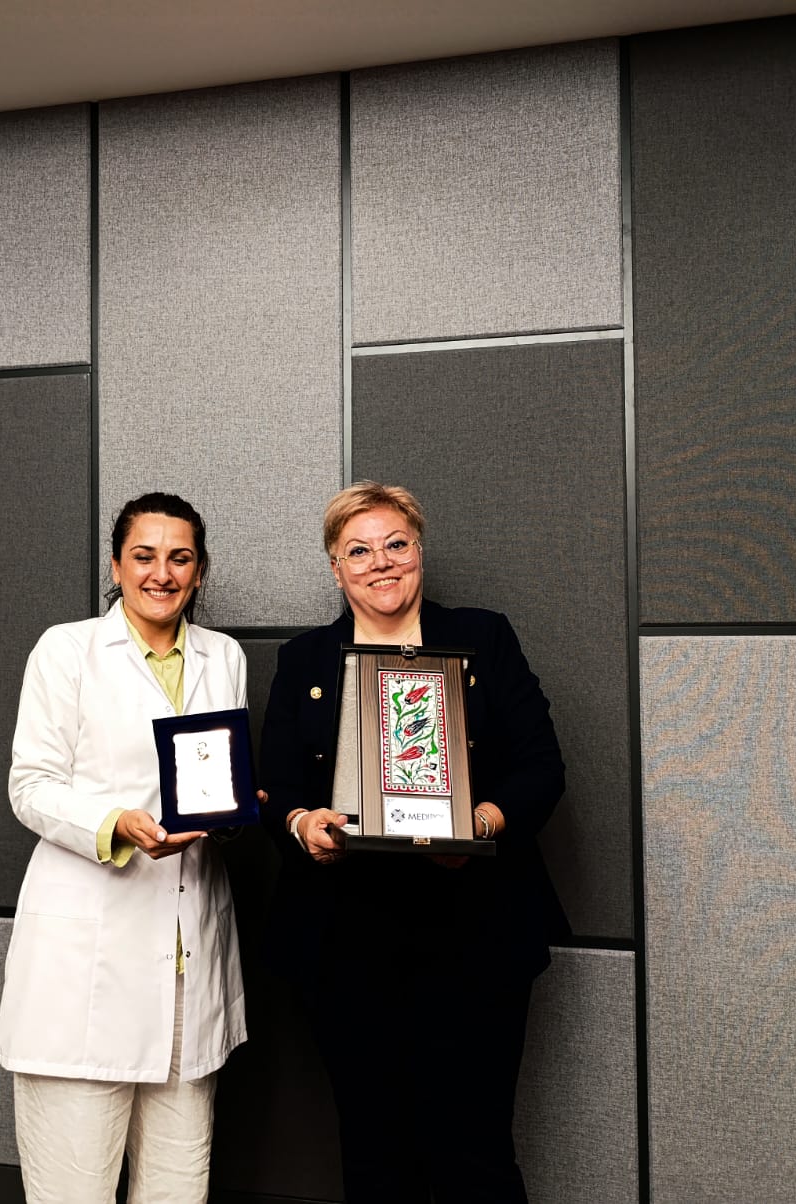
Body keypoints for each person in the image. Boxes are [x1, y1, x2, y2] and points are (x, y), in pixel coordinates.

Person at [260, 481, 567, 1203]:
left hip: (475, 931)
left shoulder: (485, 637)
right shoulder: (305, 660)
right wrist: (304, 825)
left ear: (420, 551)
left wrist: (478, 824)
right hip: (346, 940)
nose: (381, 562)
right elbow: (278, 786)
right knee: (374, 1153)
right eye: (358, 551)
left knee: (476, 1152)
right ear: (335, 568)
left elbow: (542, 767)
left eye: (396, 544)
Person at [0, 492, 249, 1204]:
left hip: (187, 968)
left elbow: (215, 778)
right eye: (144, 556)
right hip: (87, 970)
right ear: (116, 565)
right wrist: (116, 825)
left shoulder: (224, 657)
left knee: (178, 1189)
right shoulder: (66, 650)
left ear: (199, 570)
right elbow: (30, 786)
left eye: (180, 558)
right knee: (72, 1191)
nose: (161, 574)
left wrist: (237, 811)